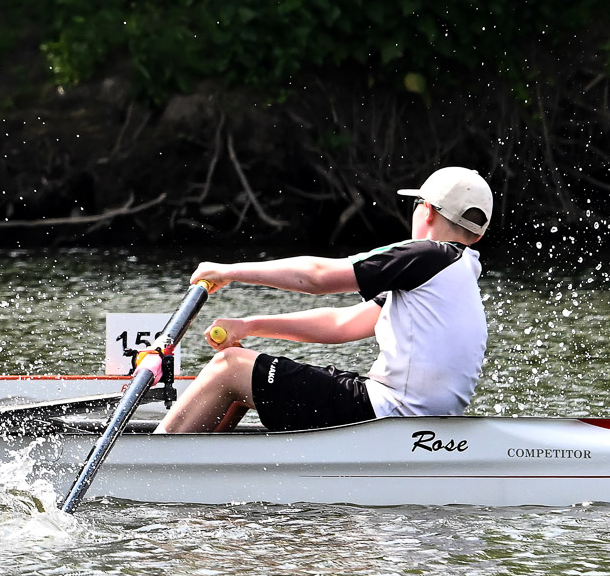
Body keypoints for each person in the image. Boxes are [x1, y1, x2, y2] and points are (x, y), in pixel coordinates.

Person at [160, 166, 491, 433]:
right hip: (413, 419)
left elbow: (317, 278)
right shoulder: (456, 275)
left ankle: (150, 463)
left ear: (428, 211)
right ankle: (204, 465)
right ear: (477, 234)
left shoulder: (425, 255)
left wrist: (229, 271)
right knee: (244, 374)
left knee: (228, 367)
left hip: (386, 413)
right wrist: (249, 326)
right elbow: (341, 324)